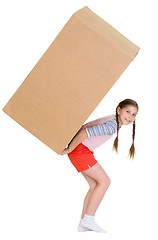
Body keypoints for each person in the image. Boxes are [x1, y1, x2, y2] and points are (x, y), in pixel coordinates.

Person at [61, 99, 139, 233]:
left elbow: (84, 128)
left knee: (94, 185)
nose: (130, 117)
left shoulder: (112, 120)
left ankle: (83, 222)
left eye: (134, 114)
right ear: (119, 110)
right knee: (105, 182)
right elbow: (84, 133)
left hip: (81, 151)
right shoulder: (112, 125)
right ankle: (89, 219)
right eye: (128, 111)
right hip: (80, 151)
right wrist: (69, 149)